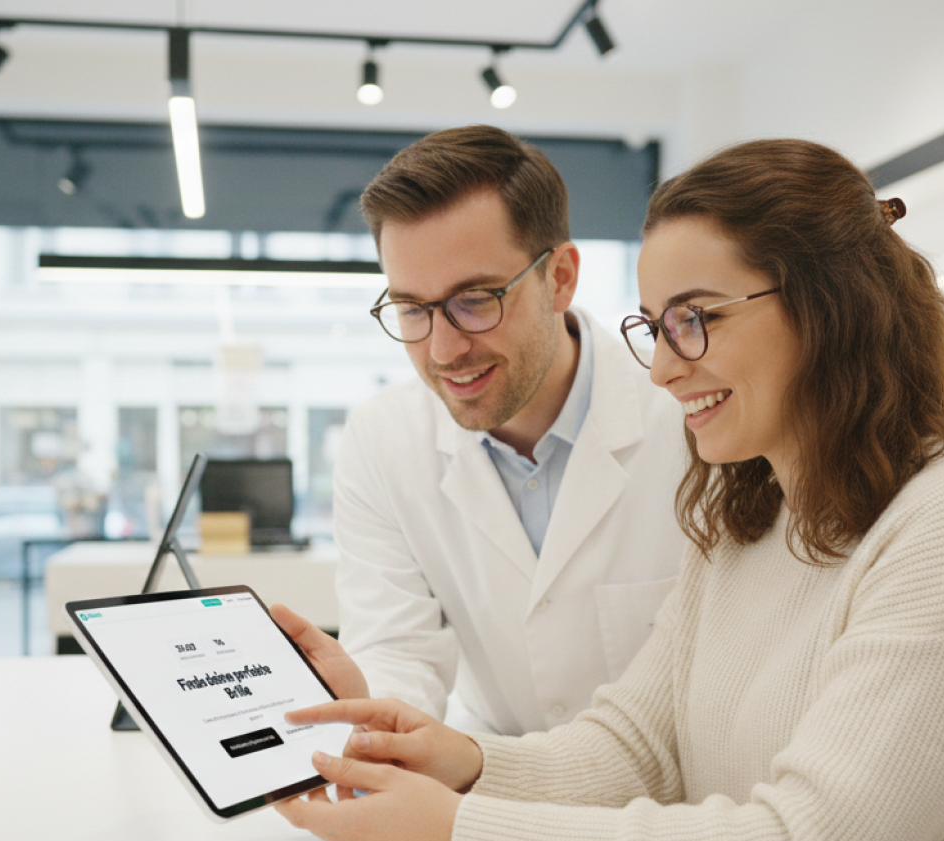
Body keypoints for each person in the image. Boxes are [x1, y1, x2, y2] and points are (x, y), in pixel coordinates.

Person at [275, 139, 944, 841]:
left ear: (827, 310)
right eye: (654, 326)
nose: (661, 369)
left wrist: (463, 830)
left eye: (695, 319)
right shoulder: (744, 525)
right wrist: (461, 762)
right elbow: (635, 748)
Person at [272, 125, 685, 736]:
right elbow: (399, 650)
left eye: (476, 299)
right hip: (498, 786)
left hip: (679, 808)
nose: (442, 350)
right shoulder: (382, 439)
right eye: (412, 308)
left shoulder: (685, 414)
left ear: (561, 278)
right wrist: (373, 713)